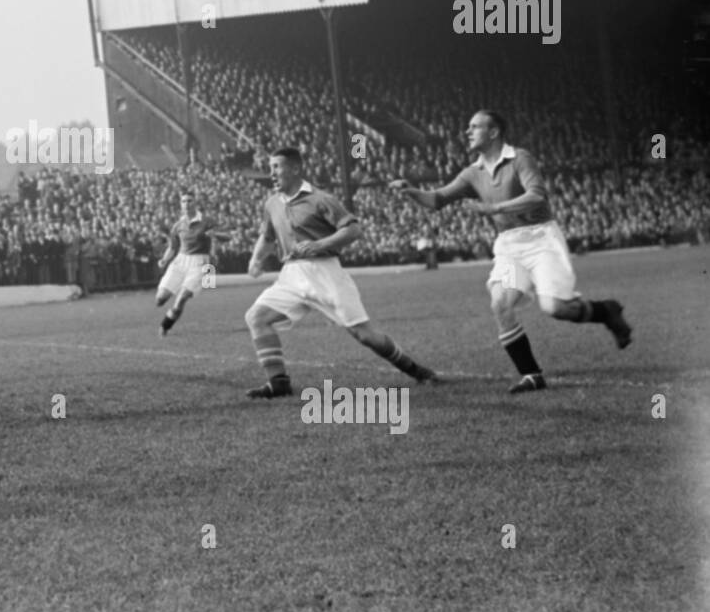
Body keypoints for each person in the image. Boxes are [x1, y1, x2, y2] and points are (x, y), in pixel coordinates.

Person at [390, 110, 631, 394]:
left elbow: (537, 194)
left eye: (474, 127)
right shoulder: (472, 172)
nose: (467, 131)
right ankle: (532, 375)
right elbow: (437, 199)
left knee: (556, 308)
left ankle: (606, 311)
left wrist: (494, 208)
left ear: (494, 132)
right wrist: (410, 191)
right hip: (508, 244)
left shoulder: (519, 158)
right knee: (500, 303)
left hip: (541, 239)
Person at [244, 148, 437, 399]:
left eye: (277, 167)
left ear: (295, 169)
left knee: (364, 335)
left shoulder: (320, 199)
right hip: (291, 274)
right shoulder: (271, 203)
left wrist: (320, 244)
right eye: (270, 167)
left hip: (325, 272)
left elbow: (354, 230)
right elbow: (267, 236)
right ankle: (278, 383)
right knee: (257, 317)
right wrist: (256, 259)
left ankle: (417, 371)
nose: (272, 173)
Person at [155, 193, 229, 335]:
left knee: (181, 299)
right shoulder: (178, 226)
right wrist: (164, 260)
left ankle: (165, 326)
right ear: (181, 205)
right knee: (160, 299)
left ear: (195, 203)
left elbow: (228, 236)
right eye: (184, 201)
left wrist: (215, 235)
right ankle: (167, 308)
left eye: (190, 200)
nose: (187, 203)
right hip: (180, 261)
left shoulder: (207, 221)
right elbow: (172, 247)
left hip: (200, 263)